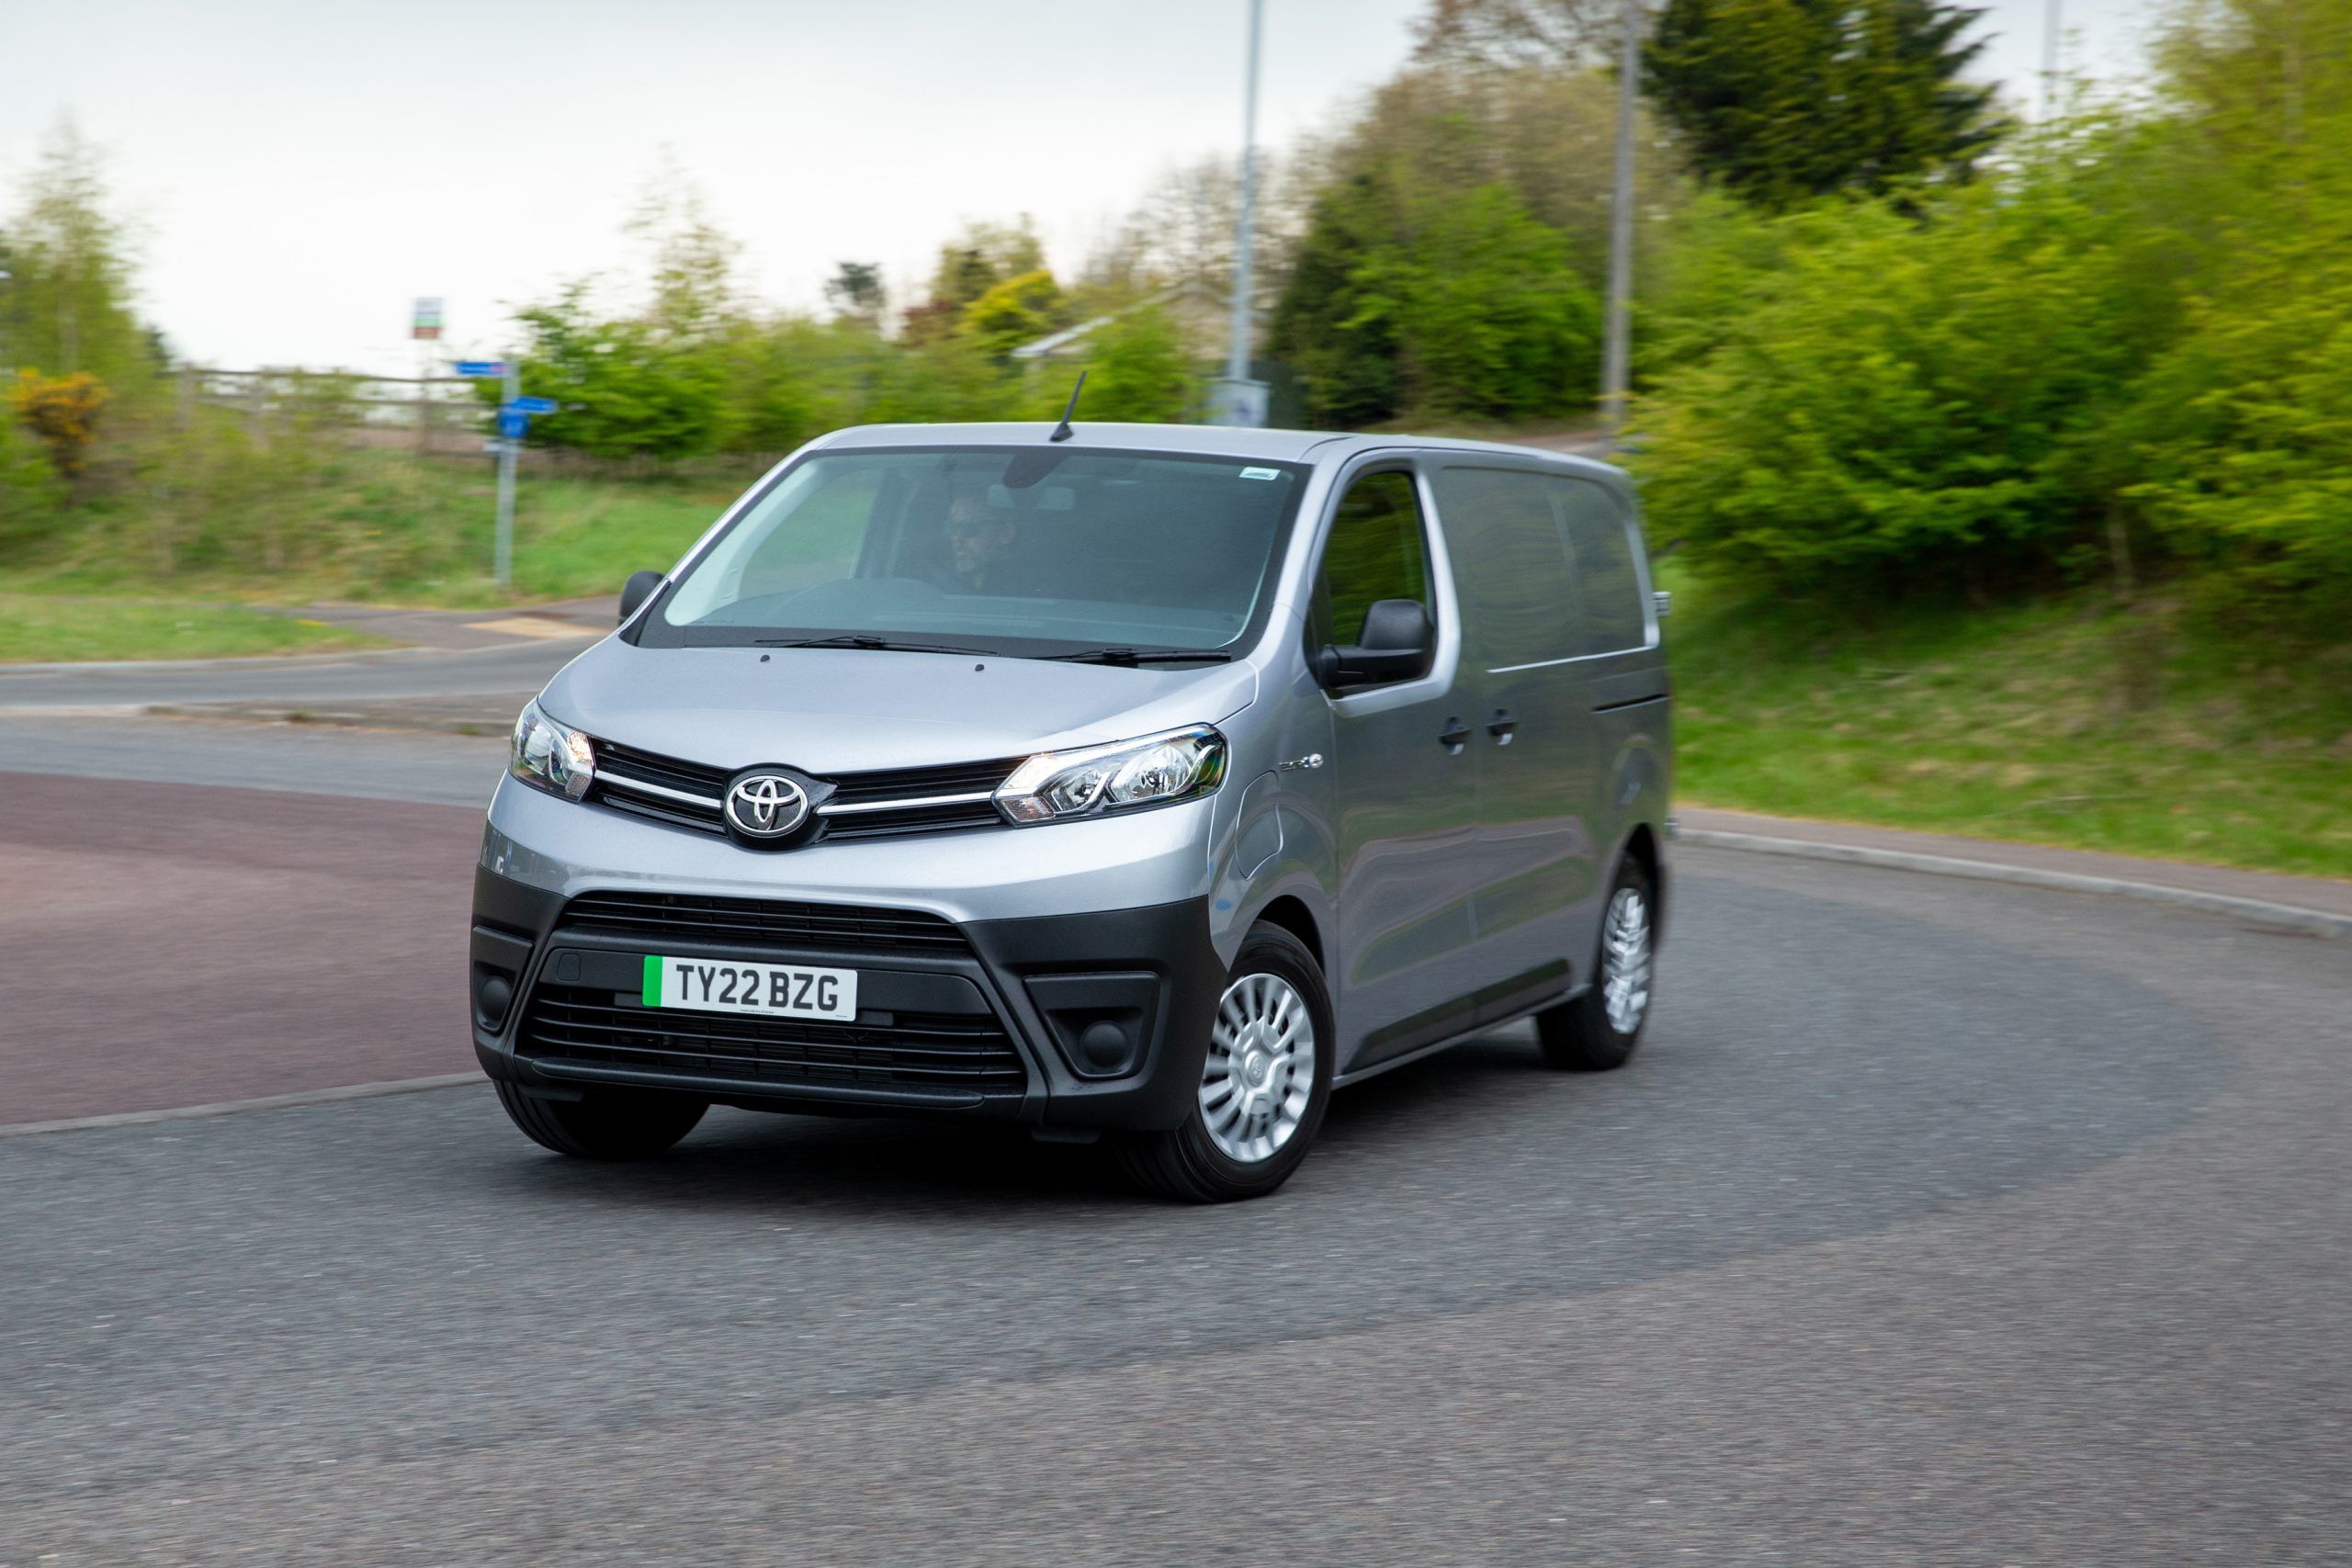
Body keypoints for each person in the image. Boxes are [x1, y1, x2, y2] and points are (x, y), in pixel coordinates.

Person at [939, 489, 1024, 594]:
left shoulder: (1029, 587)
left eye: (968, 528)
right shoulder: (933, 582)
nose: (957, 538)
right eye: (952, 528)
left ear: (1005, 533)